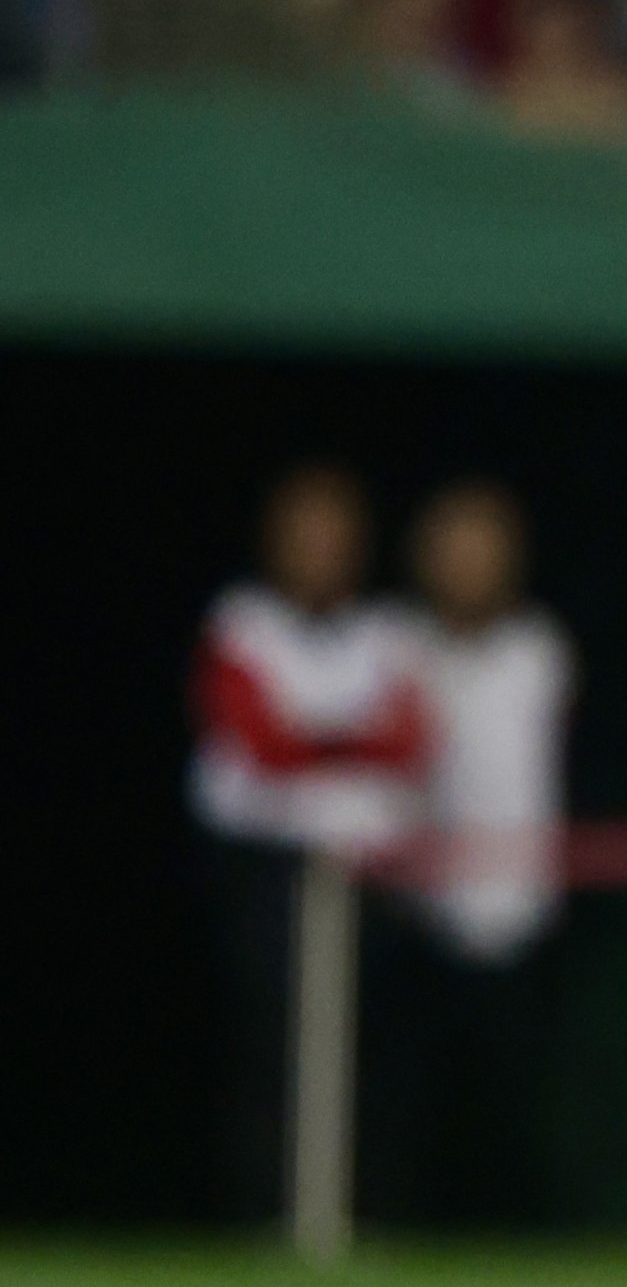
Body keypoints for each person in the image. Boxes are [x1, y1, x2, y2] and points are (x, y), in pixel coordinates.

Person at [190, 462, 422, 1222]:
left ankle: (365, 1220)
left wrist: (316, 742)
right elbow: (260, 746)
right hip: (265, 877)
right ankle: (263, 1222)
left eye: (336, 539)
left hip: (365, 881)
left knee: (369, 1058)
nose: (322, 552)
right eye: (306, 538)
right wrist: (347, 746)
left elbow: (408, 746)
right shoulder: (241, 623)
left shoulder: (388, 634)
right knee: (271, 1059)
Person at [375, 480, 574, 1227]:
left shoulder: (542, 652)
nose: (468, 565)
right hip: (417, 919)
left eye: (483, 549)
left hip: (521, 919)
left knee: (515, 1113)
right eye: (453, 549)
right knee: (408, 1108)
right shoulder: (394, 647)